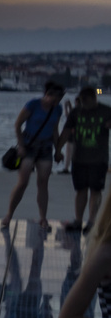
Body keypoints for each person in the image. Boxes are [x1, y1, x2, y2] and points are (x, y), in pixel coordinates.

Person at [2, 81, 66, 231]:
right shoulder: (33, 105)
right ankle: (9, 214)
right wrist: (21, 146)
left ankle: (43, 218)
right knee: (23, 182)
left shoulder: (57, 109)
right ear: (48, 95)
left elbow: (55, 130)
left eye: (60, 99)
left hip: (46, 147)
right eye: (57, 98)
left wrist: (58, 150)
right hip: (29, 145)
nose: (58, 102)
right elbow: (18, 124)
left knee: (43, 183)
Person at [60, 86, 110, 233]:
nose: (85, 106)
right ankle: (78, 220)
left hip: (99, 159)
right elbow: (66, 131)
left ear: (95, 99)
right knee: (80, 190)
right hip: (79, 159)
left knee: (96, 190)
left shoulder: (106, 111)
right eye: (82, 103)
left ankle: (92, 221)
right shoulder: (76, 112)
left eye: (87, 103)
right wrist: (58, 150)